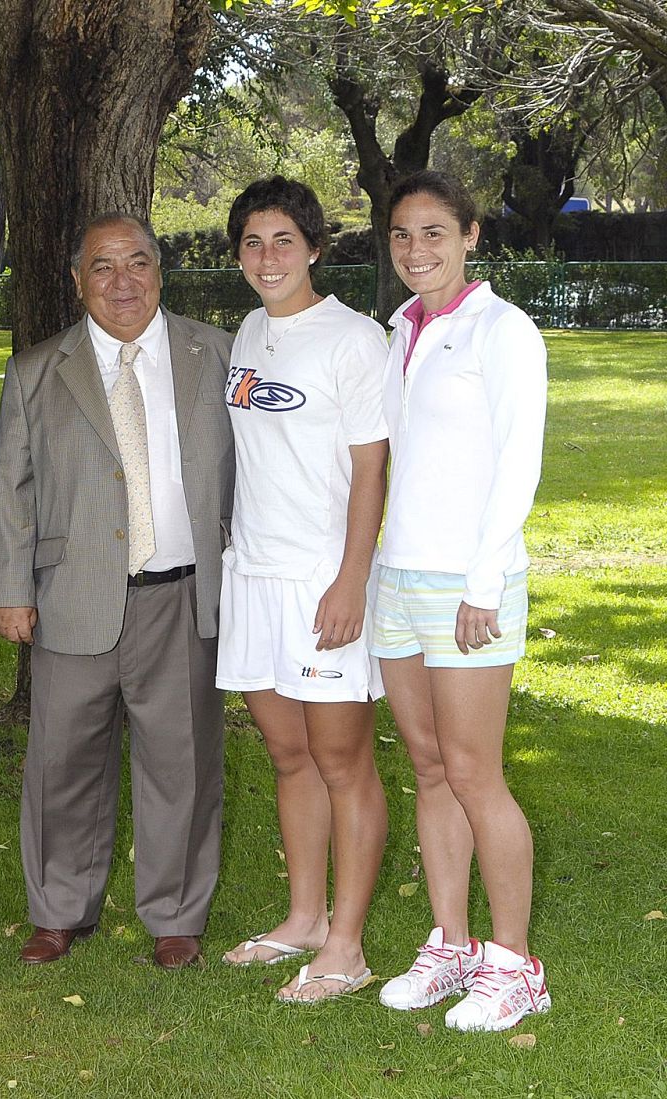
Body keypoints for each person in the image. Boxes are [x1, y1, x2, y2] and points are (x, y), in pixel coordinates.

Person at [0, 212, 234, 970]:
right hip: (72, 595)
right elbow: (10, 489)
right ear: (76, 278)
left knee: (181, 761)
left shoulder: (217, 354)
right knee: (61, 760)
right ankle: (59, 909)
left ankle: (175, 914)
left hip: (183, 594)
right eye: (103, 266)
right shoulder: (37, 369)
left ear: (160, 270)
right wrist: (10, 588)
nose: (122, 281)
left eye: (137, 263)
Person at [371, 170, 550, 1031]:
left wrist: (484, 582)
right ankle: (452, 944)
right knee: (431, 767)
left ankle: (515, 965)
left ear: (471, 235)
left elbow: (517, 462)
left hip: (469, 586)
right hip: (398, 582)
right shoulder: (398, 327)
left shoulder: (502, 331)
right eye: (403, 235)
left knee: (476, 771)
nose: (417, 250)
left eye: (435, 232)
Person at [212, 178, 390, 1003]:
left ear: (315, 248)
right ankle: (304, 918)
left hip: (325, 582)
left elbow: (370, 468)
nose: (267, 256)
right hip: (252, 576)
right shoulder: (248, 329)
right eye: (252, 241)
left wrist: (350, 579)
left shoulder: (354, 340)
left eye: (283, 240)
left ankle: (347, 946)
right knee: (289, 756)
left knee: (342, 761)